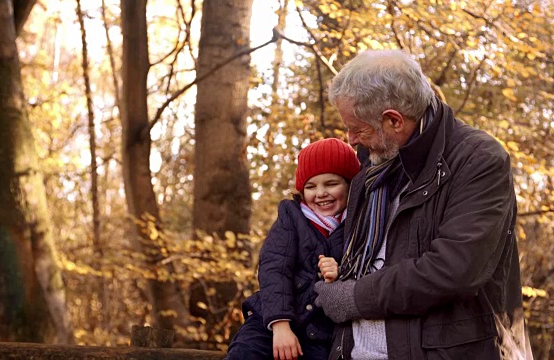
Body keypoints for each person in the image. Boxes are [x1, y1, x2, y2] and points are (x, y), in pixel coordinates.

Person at [313, 50, 532, 359]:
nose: (350, 139)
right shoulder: (372, 163)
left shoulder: (478, 160)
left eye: (358, 128)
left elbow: (453, 269)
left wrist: (354, 296)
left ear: (394, 120)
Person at [226, 138, 360, 360]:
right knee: (245, 353)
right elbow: (274, 269)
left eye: (331, 184)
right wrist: (280, 326)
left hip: (320, 332)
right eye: (311, 186)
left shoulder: (357, 225)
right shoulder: (292, 217)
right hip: (270, 321)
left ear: (350, 185)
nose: (320, 193)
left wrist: (340, 273)